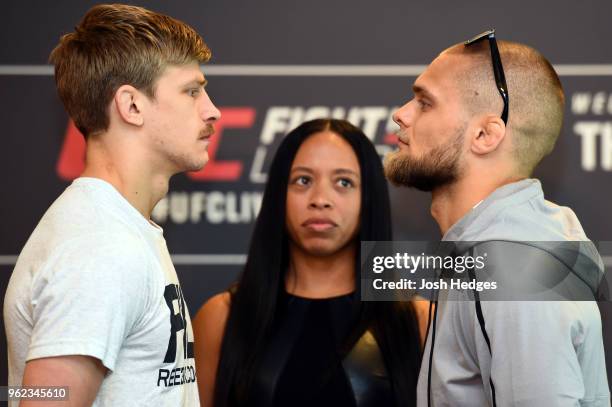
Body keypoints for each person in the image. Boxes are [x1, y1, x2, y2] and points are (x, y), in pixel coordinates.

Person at [3, 4, 220, 406]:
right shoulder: (99, 250)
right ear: (131, 106)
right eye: (192, 91)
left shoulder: (115, 230)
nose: (212, 110)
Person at [384, 29, 610, 406]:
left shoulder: (512, 271)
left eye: (425, 103)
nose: (401, 114)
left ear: (486, 135)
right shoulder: (499, 253)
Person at [193, 118, 425, 407]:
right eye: (303, 180)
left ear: (369, 197)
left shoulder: (418, 320)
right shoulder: (220, 319)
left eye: (344, 182)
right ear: (279, 194)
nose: (320, 199)